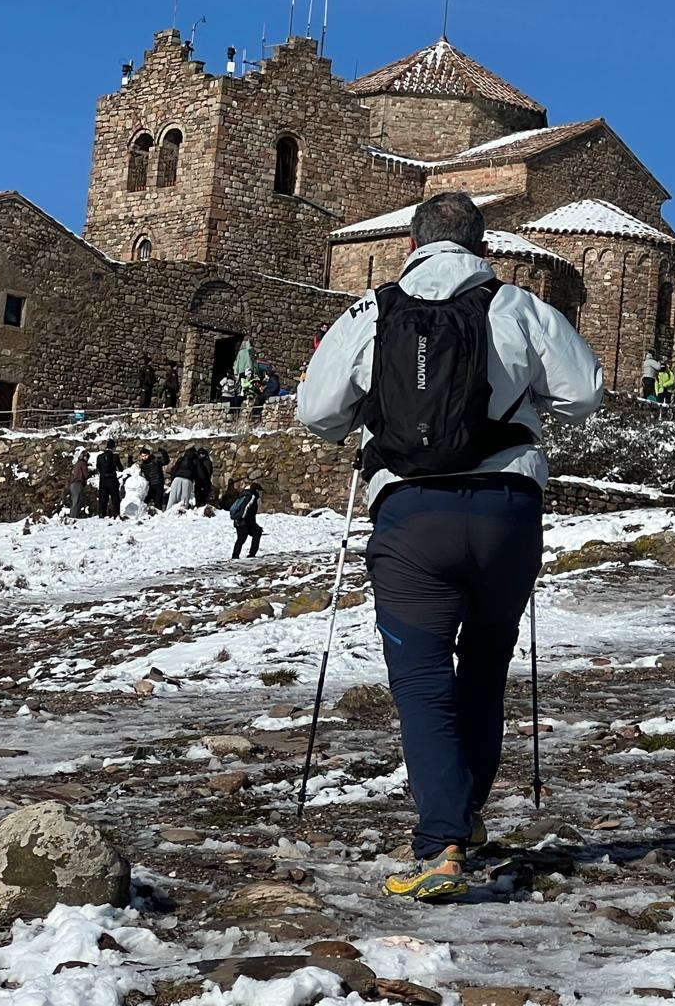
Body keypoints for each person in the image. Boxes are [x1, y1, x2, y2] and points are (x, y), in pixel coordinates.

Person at [297, 191, 603, 901]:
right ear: (484, 246)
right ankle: (462, 817)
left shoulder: (370, 312)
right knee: (485, 666)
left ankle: (442, 845)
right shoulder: (518, 306)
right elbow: (585, 391)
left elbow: (317, 413)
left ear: (408, 245)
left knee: (424, 681)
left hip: (412, 516)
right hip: (506, 510)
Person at [229, 481, 264, 558]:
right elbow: (245, 508)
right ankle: (251, 554)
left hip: (240, 520)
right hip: (245, 521)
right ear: (256, 490)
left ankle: (235, 555)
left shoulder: (243, 494)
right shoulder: (251, 496)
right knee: (256, 533)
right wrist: (241, 519)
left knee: (241, 538)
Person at [96, 439, 123, 519]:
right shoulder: (115, 457)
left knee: (103, 498)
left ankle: (101, 514)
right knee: (115, 498)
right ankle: (116, 515)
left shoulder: (100, 457)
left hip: (103, 479)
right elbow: (120, 468)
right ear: (113, 447)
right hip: (112, 479)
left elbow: (98, 467)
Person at [67, 452, 89, 518]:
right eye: (87, 457)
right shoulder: (83, 463)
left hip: (73, 484)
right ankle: (74, 516)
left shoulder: (77, 464)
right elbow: (86, 474)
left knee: (75, 501)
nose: (87, 459)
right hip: (78, 483)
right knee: (77, 501)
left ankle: (73, 515)